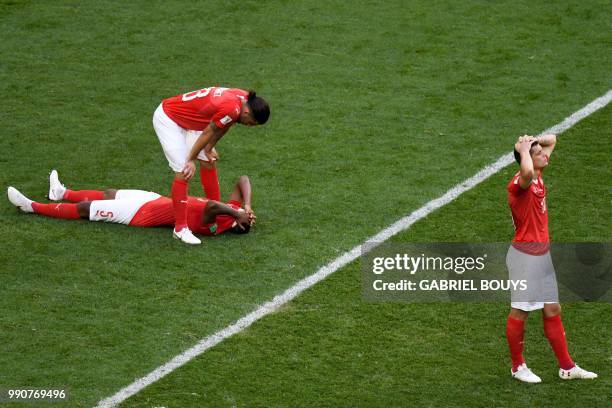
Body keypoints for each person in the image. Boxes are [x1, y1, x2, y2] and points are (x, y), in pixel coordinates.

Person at [505, 134, 597, 383]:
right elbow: (524, 172)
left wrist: (531, 141)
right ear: (527, 160)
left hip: (541, 257)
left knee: (553, 308)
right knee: (520, 312)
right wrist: (524, 150)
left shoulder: (537, 175)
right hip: (525, 259)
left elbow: (552, 140)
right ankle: (517, 366)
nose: (544, 154)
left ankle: (566, 367)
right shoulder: (520, 183)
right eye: (537, 153)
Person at [153, 86, 269, 244]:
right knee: (184, 170)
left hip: (190, 121)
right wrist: (191, 159)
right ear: (247, 113)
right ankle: (180, 229)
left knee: (208, 159)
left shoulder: (243, 100)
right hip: (169, 119)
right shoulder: (232, 108)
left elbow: (224, 125)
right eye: (251, 123)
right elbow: (209, 131)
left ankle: (214, 206)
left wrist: (208, 148)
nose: (249, 126)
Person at [7, 170, 255, 237]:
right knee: (109, 193)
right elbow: (242, 180)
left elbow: (212, 205)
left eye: (240, 223)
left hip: (139, 215)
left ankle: (31, 206)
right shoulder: (232, 213)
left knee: (86, 210)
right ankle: (61, 192)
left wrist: (235, 213)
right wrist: (246, 207)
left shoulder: (217, 223)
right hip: (155, 200)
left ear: (236, 226)